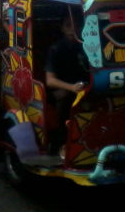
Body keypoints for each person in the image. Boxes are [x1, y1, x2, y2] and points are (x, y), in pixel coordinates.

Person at [45, 15, 88, 156]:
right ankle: (60, 144)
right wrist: (71, 88)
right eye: (69, 26)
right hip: (62, 90)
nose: (73, 29)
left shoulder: (86, 46)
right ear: (62, 28)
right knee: (64, 99)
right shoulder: (55, 49)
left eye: (76, 26)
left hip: (83, 88)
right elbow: (50, 81)